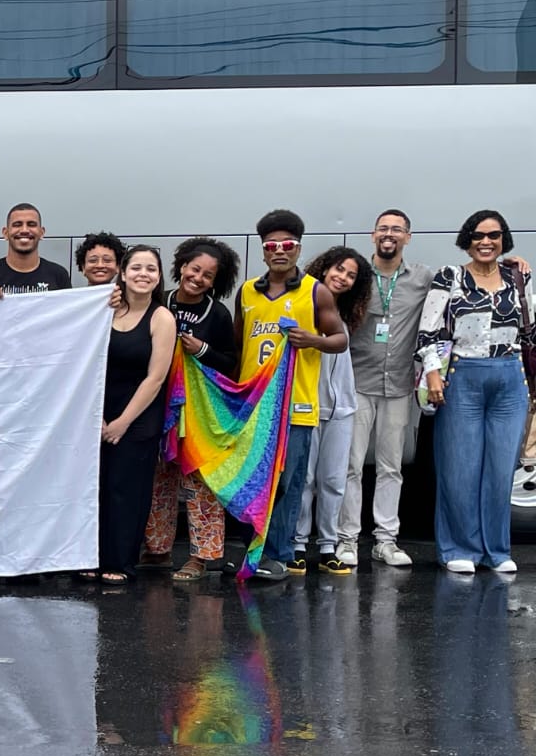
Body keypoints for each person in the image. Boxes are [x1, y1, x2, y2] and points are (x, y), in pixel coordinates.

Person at [235, 209, 349, 581]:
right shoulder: (247, 292)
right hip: (255, 406)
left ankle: (279, 556)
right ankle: (253, 553)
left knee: (287, 483)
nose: (279, 251)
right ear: (263, 250)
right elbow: (237, 347)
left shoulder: (316, 291)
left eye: (287, 245)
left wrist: (313, 340)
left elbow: (340, 339)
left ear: (298, 249)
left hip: (295, 406)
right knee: (252, 482)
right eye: (272, 246)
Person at [417, 210, 534, 574]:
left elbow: (530, 333)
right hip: (462, 375)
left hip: (510, 378)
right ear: (467, 240)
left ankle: (496, 551)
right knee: (460, 467)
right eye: (478, 235)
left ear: (504, 240)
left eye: (494, 235)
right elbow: (428, 331)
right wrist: (433, 375)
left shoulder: (518, 277)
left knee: (501, 470)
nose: (486, 242)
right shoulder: (449, 276)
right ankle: (459, 548)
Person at [335, 210, 434, 568]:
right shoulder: (358, 276)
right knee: (350, 465)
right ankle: (347, 539)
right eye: (383, 229)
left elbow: (464, 282)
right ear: (373, 235)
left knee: (391, 467)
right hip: (357, 383)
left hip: (399, 385)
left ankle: (385, 540)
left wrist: (512, 264)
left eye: (397, 229)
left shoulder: (423, 278)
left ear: (408, 237)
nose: (389, 234)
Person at [142, 237, 240, 581]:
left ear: (215, 282)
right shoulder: (160, 302)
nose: (198, 278)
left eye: (207, 275)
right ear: (182, 266)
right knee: (159, 478)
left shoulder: (218, 314)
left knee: (200, 481)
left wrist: (201, 350)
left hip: (200, 412)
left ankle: (201, 557)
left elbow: (230, 363)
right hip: (158, 404)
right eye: (194, 269)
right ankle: (158, 550)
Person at [92, 245, 178, 585]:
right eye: (137, 268)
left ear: (158, 277)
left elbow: (155, 378)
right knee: (95, 488)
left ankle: (120, 561)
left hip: (138, 417)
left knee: (125, 490)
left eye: (151, 269)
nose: (143, 274)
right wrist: (97, 416)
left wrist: (122, 423)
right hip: (97, 413)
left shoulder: (161, 318)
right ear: (123, 274)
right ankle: (91, 557)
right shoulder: (104, 310)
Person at [293, 247, 373, 576]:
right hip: (308, 404)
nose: (343, 277)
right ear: (325, 268)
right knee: (304, 479)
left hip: (342, 408)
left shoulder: (346, 312)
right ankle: (297, 545)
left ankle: (328, 547)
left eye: (351, 275)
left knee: (334, 480)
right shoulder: (305, 303)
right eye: (339, 269)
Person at [0, 204, 71, 296]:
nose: (24, 230)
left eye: (31, 224)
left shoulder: (58, 275)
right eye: (17, 225)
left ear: (41, 232)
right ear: (5, 233)